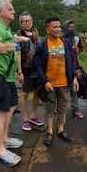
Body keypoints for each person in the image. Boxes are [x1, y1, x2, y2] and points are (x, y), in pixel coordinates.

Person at [0, 0, 31, 167]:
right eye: (10, 9)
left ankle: (4, 138)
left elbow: (9, 38)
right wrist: (14, 45)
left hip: (7, 76)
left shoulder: (4, 28)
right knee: (1, 112)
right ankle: (0, 151)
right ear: (0, 12)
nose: (14, 12)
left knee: (10, 106)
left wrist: (20, 39)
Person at [32, 17, 78, 146]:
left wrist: (74, 77)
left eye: (59, 27)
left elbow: (71, 61)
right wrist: (45, 81)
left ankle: (61, 129)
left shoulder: (65, 43)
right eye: (55, 27)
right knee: (50, 108)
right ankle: (50, 132)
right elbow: (38, 65)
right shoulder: (42, 44)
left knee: (62, 108)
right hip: (50, 84)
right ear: (48, 29)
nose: (58, 29)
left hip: (64, 83)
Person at [16, 12, 45, 133]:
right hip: (26, 69)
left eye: (29, 21)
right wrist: (19, 72)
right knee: (24, 93)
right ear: (21, 23)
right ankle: (25, 119)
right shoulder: (18, 36)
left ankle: (33, 116)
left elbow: (39, 50)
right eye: (24, 21)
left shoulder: (34, 34)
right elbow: (17, 53)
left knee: (37, 92)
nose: (27, 22)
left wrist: (37, 39)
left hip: (36, 69)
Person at [63, 20, 85, 119]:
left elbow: (81, 48)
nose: (72, 29)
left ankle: (75, 109)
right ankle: (60, 110)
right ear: (65, 28)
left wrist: (76, 54)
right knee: (62, 90)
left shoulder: (76, 39)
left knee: (74, 89)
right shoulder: (61, 39)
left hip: (74, 66)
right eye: (69, 27)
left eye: (73, 27)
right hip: (63, 67)